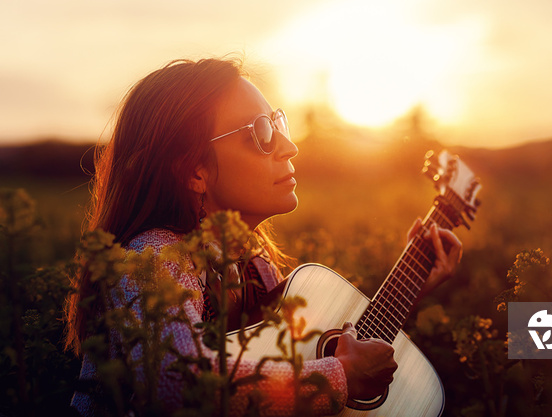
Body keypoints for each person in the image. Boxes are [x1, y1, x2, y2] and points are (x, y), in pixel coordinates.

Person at [64, 57, 462, 416]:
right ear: (194, 171)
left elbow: (288, 365)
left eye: (279, 123)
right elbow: (178, 383)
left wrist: (412, 287)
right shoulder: (151, 258)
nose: (289, 147)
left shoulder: (254, 267)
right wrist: (338, 376)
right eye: (261, 132)